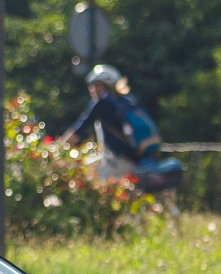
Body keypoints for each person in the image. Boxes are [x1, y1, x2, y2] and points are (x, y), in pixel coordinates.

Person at [60, 64, 183, 193]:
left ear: (103, 85)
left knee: (87, 175)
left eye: (95, 85)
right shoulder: (128, 100)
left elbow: (78, 129)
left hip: (118, 161)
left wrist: (57, 148)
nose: (92, 90)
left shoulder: (101, 103)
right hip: (136, 159)